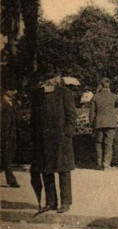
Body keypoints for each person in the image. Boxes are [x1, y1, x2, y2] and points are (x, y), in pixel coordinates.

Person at [29, 70, 77, 214]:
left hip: (61, 139)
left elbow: (71, 115)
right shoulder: (37, 95)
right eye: (46, 79)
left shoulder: (65, 93)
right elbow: (34, 117)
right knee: (46, 170)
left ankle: (66, 202)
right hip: (43, 140)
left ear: (57, 79)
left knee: (63, 171)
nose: (49, 82)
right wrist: (34, 137)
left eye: (51, 78)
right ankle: (51, 202)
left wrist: (67, 133)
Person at [89, 78, 118, 170]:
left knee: (98, 143)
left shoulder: (95, 97)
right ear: (109, 86)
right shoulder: (113, 96)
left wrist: (92, 123)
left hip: (99, 123)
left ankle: (99, 163)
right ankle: (106, 164)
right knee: (108, 144)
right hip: (111, 122)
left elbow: (92, 112)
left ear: (101, 85)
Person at [1, 87, 20, 188]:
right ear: (5, 91)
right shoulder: (1, 103)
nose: (15, 92)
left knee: (6, 157)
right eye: (12, 89)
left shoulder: (15, 103)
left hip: (12, 135)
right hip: (3, 135)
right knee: (6, 157)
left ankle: (11, 179)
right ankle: (12, 180)